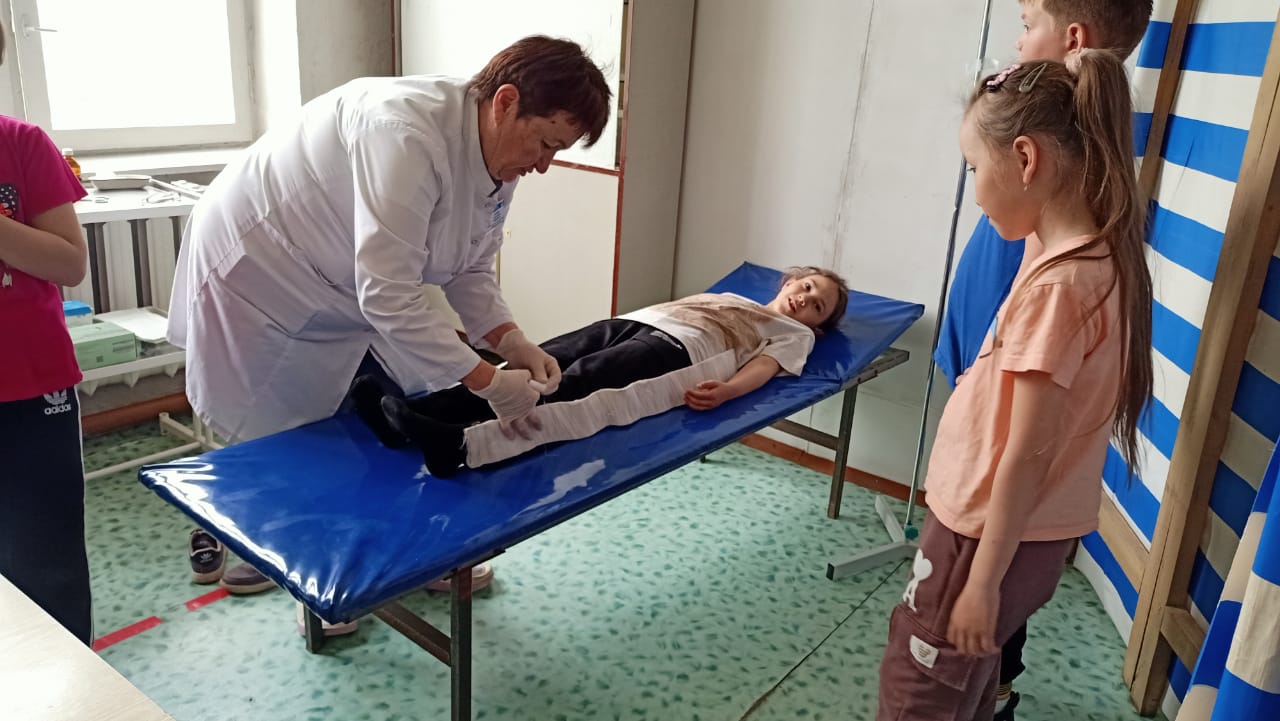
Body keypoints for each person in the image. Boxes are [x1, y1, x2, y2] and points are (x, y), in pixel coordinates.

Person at [167, 36, 612, 626]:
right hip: (262, 280)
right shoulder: (402, 133)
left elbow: (469, 266)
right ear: (506, 103)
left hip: (348, 286)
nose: (544, 164)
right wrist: (489, 381)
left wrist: (510, 339)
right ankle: (308, 570)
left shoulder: (496, 152)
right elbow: (388, 295)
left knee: (406, 411)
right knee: (291, 443)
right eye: (547, 143)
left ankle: (415, 556)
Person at [877, 51, 1153, 720]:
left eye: (974, 168)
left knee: (921, 690)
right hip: (1008, 536)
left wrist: (982, 581)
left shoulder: (1061, 288)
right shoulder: (1082, 253)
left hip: (980, 538)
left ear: (1026, 160)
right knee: (967, 686)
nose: (974, 190)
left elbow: (1028, 453)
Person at [352, 267, 849, 476]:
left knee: (575, 387)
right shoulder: (735, 296)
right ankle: (417, 416)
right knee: (534, 363)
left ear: (818, 326)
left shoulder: (795, 334)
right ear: (789, 280)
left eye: (817, 306)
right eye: (806, 287)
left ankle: (461, 446)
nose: (805, 300)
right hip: (636, 322)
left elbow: (764, 367)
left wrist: (729, 391)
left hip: (677, 352)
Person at [0, 20, 93, 645]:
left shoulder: (23, 143)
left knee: (46, 562)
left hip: (33, 389)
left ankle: (74, 685)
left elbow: (69, 263)